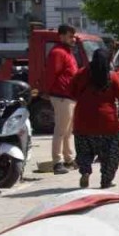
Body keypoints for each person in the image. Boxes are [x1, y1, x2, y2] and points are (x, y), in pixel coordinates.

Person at [70, 48, 119, 190]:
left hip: (82, 120)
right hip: (107, 123)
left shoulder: (81, 73)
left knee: (84, 151)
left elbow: (71, 91)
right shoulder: (112, 77)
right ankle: (106, 180)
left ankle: (85, 172)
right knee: (111, 153)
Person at [46, 24, 78, 174]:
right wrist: (48, 91)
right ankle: (57, 162)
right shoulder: (58, 52)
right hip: (62, 96)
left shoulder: (67, 52)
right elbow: (51, 74)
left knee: (68, 131)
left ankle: (68, 159)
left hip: (69, 96)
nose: (74, 39)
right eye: (70, 36)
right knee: (60, 130)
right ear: (62, 36)